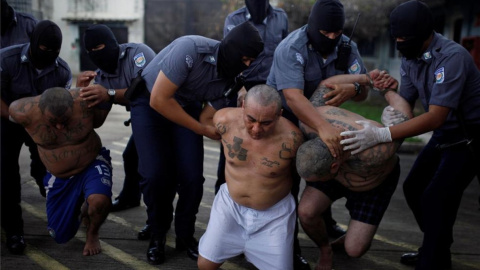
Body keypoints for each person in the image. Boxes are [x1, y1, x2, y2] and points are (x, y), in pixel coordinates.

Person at [339, 1, 480, 269]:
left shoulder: (452, 58)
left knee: (437, 197)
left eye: (406, 39)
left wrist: (382, 134)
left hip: (469, 137)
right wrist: (388, 93)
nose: (401, 43)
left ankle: (433, 259)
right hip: (444, 135)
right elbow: (407, 102)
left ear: (427, 33)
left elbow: (436, 116)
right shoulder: (410, 56)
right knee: (414, 188)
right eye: (397, 38)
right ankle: (435, 245)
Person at [128, 21, 263, 265]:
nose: (247, 66)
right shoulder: (190, 49)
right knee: (155, 175)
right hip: (150, 103)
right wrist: (201, 130)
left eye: (251, 61)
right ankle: (157, 235)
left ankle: (185, 236)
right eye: (244, 59)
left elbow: (206, 117)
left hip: (186, 107)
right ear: (232, 50)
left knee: (191, 177)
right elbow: (159, 100)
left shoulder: (233, 79)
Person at [267, 0, 369, 244]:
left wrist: (352, 90)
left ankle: (325, 222)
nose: (332, 37)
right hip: (287, 114)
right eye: (325, 33)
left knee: (326, 169)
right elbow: (293, 97)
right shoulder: (292, 47)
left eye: (337, 32)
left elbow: (365, 91)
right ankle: (287, 244)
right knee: (288, 178)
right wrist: (324, 129)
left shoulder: (347, 46)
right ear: (313, 27)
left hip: (324, 115)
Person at [218, 4, 311, 269]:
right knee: (229, 163)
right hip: (245, 94)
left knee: (285, 173)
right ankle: (228, 237)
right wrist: (242, 90)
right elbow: (233, 55)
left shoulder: (280, 16)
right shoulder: (233, 18)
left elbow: (283, 56)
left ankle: (288, 246)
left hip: (274, 95)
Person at [296, 76, 412, 270]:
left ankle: (347, 240)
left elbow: (405, 118)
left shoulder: (374, 152)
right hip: (329, 166)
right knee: (306, 212)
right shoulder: (310, 122)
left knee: (354, 250)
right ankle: (325, 249)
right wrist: (365, 78)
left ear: (334, 168)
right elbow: (326, 85)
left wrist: (385, 90)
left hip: (372, 184)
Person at [198, 84, 304, 270]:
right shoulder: (224, 119)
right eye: (251, 119)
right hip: (230, 207)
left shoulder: (293, 139)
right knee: (205, 265)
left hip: (274, 215)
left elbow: (300, 174)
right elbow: (204, 120)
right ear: (243, 106)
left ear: (279, 114)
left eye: (266, 123)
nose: (256, 129)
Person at [8, 87, 113, 256]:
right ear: (40, 111)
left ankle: (93, 233)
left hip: (91, 163)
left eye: (65, 120)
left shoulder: (84, 103)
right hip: (59, 177)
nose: (59, 126)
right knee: (60, 236)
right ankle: (84, 205)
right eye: (53, 121)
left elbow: (104, 105)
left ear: (73, 107)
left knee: (99, 200)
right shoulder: (22, 111)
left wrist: (107, 93)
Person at [0, 20, 72, 255]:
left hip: (40, 124)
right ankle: (14, 231)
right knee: (6, 175)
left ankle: (51, 202)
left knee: (48, 170)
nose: (48, 56)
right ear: (32, 45)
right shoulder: (6, 60)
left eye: (53, 53)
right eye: (43, 51)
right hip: (7, 121)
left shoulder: (62, 71)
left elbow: (62, 106)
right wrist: (14, 118)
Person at [77, 24, 156, 220]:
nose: (96, 54)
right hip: (142, 121)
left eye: (99, 47)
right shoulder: (102, 76)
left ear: (111, 44)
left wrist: (109, 94)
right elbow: (98, 121)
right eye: (90, 51)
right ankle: (130, 197)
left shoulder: (138, 53)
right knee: (131, 156)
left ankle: (156, 221)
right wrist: (83, 95)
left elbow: (148, 92)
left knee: (156, 169)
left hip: (167, 115)